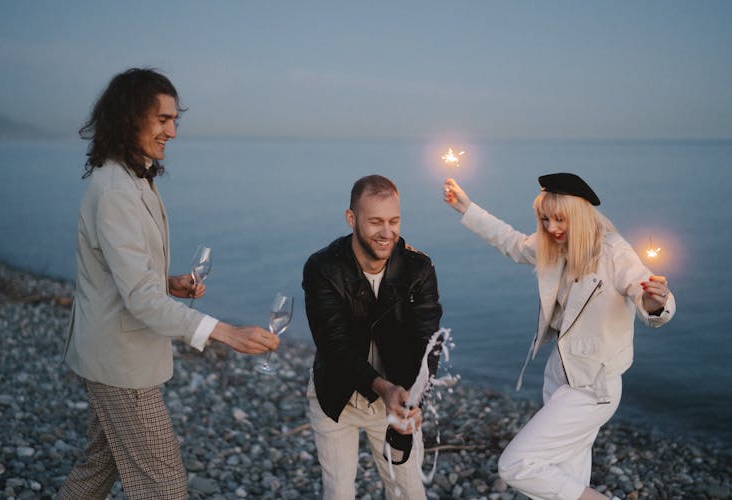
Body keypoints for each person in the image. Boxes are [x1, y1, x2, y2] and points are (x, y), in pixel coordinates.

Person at [59, 68, 280, 499]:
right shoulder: (116, 191)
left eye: (174, 120)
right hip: (121, 365)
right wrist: (225, 332)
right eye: (163, 119)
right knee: (164, 486)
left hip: (106, 354)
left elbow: (121, 273)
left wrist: (167, 282)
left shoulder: (129, 177)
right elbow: (139, 298)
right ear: (130, 117)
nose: (173, 132)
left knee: (96, 470)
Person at [443, 173, 675, 500]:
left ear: (579, 214)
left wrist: (655, 302)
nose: (552, 227)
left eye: (560, 218)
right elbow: (510, 242)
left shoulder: (614, 253)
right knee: (565, 479)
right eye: (545, 219)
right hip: (558, 376)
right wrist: (467, 208)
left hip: (594, 387)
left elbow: (646, 296)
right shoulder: (553, 245)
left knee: (517, 464)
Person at [302, 175, 443, 499]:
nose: (387, 232)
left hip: (396, 397)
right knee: (337, 491)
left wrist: (414, 396)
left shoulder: (418, 268)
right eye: (375, 221)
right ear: (351, 219)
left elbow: (428, 340)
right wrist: (383, 387)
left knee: (407, 491)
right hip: (336, 396)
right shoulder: (322, 267)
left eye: (394, 221)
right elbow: (334, 344)